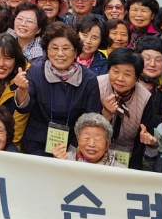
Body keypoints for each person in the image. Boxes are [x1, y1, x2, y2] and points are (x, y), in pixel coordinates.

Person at [18, 25, 101, 156]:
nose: (60, 54)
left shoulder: (88, 79)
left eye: (66, 48)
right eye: (54, 48)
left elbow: (91, 119)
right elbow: (24, 108)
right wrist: (22, 90)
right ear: (46, 50)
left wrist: (75, 150)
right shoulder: (36, 71)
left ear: (75, 52)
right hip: (36, 143)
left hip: (72, 147)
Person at [95, 47, 150, 168]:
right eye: (115, 71)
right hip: (94, 153)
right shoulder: (96, 85)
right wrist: (106, 114)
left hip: (127, 157)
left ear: (137, 78)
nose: (120, 78)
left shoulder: (145, 98)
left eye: (127, 74)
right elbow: (88, 128)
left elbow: (140, 143)